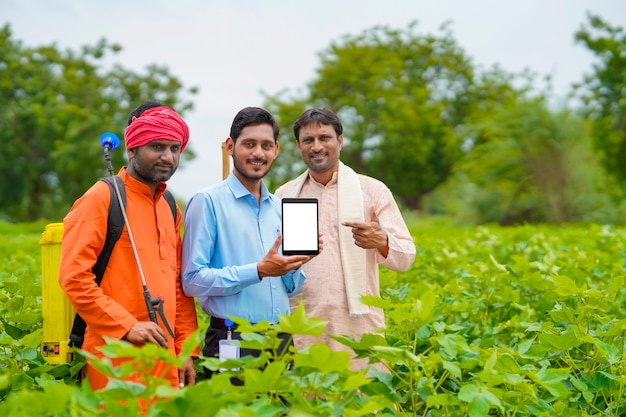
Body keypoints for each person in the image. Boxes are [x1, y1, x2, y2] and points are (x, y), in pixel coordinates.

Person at [59, 100, 199, 391]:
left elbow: (177, 284)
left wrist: (185, 348)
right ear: (132, 148)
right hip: (113, 357)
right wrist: (127, 326)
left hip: (165, 359)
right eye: (157, 147)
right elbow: (74, 278)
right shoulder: (102, 198)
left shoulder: (170, 207)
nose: (168, 157)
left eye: (174, 148)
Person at [181, 106, 319, 378]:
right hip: (232, 339)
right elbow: (193, 279)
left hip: (280, 341)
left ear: (276, 150)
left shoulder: (280, 207)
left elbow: (288, 289)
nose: (258, 153)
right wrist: (258, 271)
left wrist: (295, 264)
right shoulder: (207, 202)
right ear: (231, 146)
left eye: (266, 145)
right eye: (249, 144)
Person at [275, 107, 416, 371]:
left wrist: (382, 241)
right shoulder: (284, 196)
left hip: (359, 324)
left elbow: (406, 257)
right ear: (298, 146)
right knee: (310, 404)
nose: (317, 146)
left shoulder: (372, 190)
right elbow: (274, 262)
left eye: (324, 137)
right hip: (305, 323)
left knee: (363, 404)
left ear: (339, 141)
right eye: (308, 140)